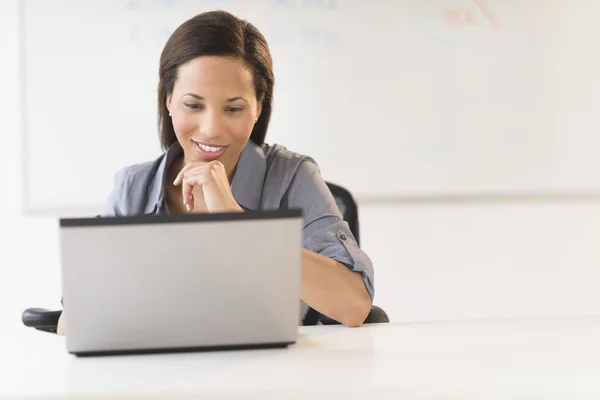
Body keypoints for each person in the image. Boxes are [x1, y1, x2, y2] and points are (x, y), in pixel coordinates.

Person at [57, 10, 373, 334]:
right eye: (193, 105)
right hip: (160, 376)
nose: (211, 129)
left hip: (271, 375)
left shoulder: (293, 177)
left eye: (233, 109)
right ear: (168, 100)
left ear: (259, 107)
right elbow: (73, 323)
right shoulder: (133, 188)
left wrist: (240, 224)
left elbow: (354, 305)